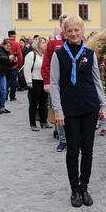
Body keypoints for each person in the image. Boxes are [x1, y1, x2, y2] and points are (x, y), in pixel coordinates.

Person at [50, 14, 106, 207]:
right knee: (73, 150)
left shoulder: (89, 54)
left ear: (82, 31)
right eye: (70, 31)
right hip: (70, 109)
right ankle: (74, 189)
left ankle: (85, 187)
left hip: (89, 107)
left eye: (77, 30)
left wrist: (103, 105)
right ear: (64, 33)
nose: (74, 33)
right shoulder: (59, 55)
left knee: (88, 149)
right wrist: (58, 110)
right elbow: (55, 84)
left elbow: (97, 81)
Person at [41, 13, 70, 151]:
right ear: (60, 26)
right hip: (57, 85)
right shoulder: (53, 42)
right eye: (64, 24)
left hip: (72, 85)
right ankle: (63, 139)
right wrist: (47, 81)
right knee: (58, 112)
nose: (66, 27)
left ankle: (74, 138)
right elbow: (46, 63)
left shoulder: (76, 40)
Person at [24, 37, 52, 131]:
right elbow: (27, 69)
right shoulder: (31, 55)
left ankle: (43, 121)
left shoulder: (44, 55)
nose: (45, 44)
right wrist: (29, 81)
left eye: (45, 42)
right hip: (34, 81)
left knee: (44, 103)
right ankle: (33, 123)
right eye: (43, 42)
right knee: (34, 103)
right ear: (37, 44)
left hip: (44, 81)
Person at [6, 30, 23, 101]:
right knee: (13, 81)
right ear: (14, 35)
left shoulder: (3, 43)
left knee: (6, 81)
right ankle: (12, 97)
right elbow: (20, 56)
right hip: (14, 66)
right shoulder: (16, 44)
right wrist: (19, 65)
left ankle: (5, 96)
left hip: (5, 66)